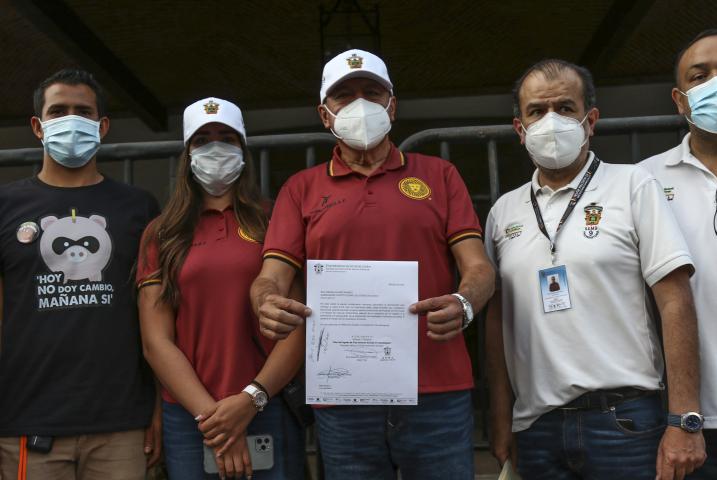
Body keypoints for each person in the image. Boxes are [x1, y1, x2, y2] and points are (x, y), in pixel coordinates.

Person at [250, 49, 496, 479]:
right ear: (325, 114)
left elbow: (479, 268)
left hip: (436, 389)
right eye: (344, 96)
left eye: (372, 92)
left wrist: (465, 302)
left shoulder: (440, 175)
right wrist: (266, 302)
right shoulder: (300, 189)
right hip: (344, 394)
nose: (359, 104)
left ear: (392, 105)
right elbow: (270, 277)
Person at [485, 59, 707, 479]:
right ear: (520, 128)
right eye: (537, 110)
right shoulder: (503, 212)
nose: (551, 120)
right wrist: (501, 416)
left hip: (624, 420)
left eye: (565, 108)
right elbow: (497, 321)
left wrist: (684, 420)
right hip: (536, 425)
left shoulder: (633, 186)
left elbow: (675, 300)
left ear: (591, 121)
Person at [0, 69, 162, 479]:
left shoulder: (139, 208)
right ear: (38, 126)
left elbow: (157, 321)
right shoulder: (5, 206)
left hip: (122, 424)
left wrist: (159, 408)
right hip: (28, 422)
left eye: (82, 111)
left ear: (102, 126)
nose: (70, 120)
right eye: (57, 111)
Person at [136, 97, 306, 480]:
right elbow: (155, 341)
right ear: (187, 153)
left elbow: (298, 322)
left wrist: (249, 400)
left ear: (242, 148)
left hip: (268, 403)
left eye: (226, 137)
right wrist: (214, 420)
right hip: (190, 416)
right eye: (203, 139)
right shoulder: (162, 232)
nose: (215, 147)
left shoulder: (275, 218)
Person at [640, 29, 717, 479]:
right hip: (689, 423)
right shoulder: (643, 181)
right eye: (700, 75)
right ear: (680, 99)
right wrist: (681, 419)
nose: (715, 82)